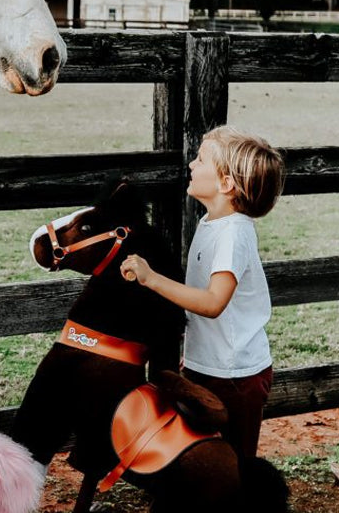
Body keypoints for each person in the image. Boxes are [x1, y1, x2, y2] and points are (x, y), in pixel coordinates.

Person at [119, 125, 285, 461]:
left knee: (234, 463)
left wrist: (151, 278)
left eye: (201, 159)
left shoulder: (234, 235)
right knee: (202, 456)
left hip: (237, 375)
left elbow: (212, 303)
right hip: (208, 365)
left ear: (226, 184)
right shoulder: (211, 223)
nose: (191, 164)